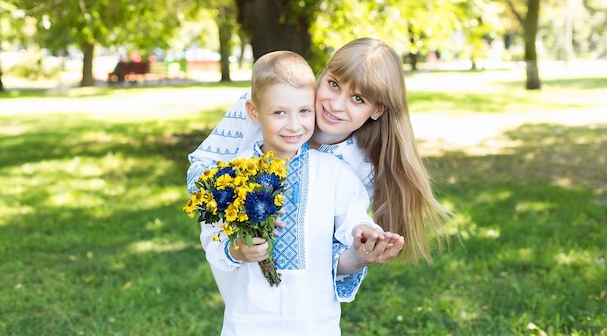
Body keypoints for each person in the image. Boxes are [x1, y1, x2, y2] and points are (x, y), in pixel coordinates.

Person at [187, 37, 451, 267]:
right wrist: (240, 215)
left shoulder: (357, 166)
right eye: (334, 84)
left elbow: (333, 255)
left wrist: (360, 252)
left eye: (358, 99)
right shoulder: (268, 102)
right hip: (234, 263)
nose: (336, 105)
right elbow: (201, 166)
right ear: (322, 74)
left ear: (377, 110)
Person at [196, 50, 402, 336]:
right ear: (254, 113)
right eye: (279, 112)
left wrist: (365, 233)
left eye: (304, 112)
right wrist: (236, 249)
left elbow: (353, 216)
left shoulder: (335, 171)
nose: (294, 125)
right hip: (248, 321)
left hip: (314, 320)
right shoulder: (236, 173)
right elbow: (213, 235)